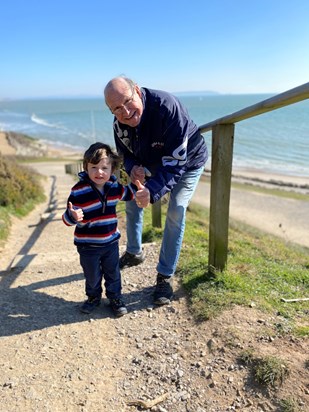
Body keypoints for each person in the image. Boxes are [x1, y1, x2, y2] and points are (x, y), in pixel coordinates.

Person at [104, 76, 208, 305]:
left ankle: (164, 276)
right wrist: (133, 169)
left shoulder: (167, 107)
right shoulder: (118, 123)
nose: (125, 112)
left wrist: (151, 190)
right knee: (132, 201)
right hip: (151, 162)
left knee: (176, 209)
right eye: (117, 109)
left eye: (128, 102)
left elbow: (175, 162)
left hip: (187, 161)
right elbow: (125, 154)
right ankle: (134, 252)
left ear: (137, 91)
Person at [62, 142, 148, 316]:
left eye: (104, 167)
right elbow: (66, 217)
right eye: (94, 167)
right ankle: (93, 297)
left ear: (112, 169)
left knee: (113, 273)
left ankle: (115, 298)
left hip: (110, 243)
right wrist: (72, 216)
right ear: (86, 167)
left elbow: (129, 193)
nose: (99, 172)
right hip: (87, 246)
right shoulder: (78, 191)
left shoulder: (114, 187)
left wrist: (139, 185)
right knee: (92, 276)